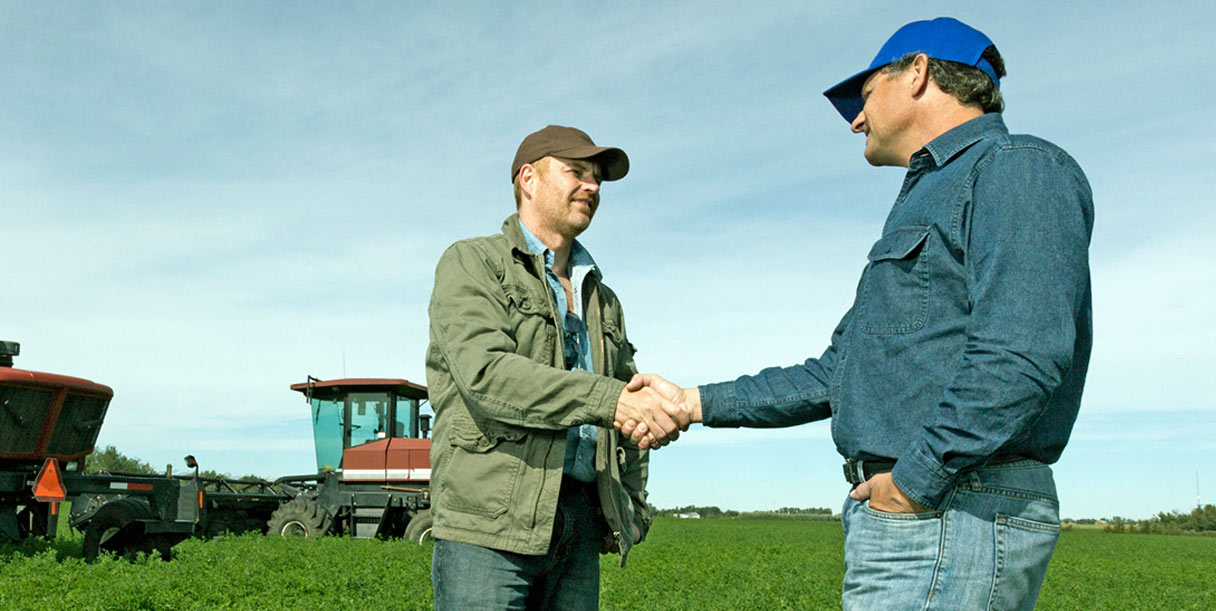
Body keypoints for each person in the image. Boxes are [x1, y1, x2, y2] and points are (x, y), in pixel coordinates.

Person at [625, 18, 1093, 610]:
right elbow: (837, 373)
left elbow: (1020, 355)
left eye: (865, 95)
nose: (856, 119)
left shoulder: (1016, 167)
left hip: (953, 508)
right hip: (929, 512)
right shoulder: (930, 196)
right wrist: (692, 403)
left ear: (918, 72)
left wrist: (914, 483)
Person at [424, 125, 687, 609]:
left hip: (579, 523)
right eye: (577, 172)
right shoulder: (473, 263)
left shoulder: (602, 299)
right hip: (489, 524)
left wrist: (631, 503)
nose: (592, 186)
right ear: (529, 178)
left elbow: (627, 402)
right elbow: (487, 376)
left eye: (598, 179)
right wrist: (609, 401)